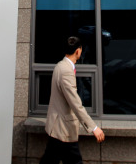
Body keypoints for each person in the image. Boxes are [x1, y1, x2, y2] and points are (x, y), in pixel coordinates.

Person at [39, 36, 105, 164]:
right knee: (72, 160)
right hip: (63, 128)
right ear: (78, 51)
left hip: (58, 127)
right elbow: (75, 103)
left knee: (51, 159)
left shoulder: (60, 66)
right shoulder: (66, 71)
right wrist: (93, 127)